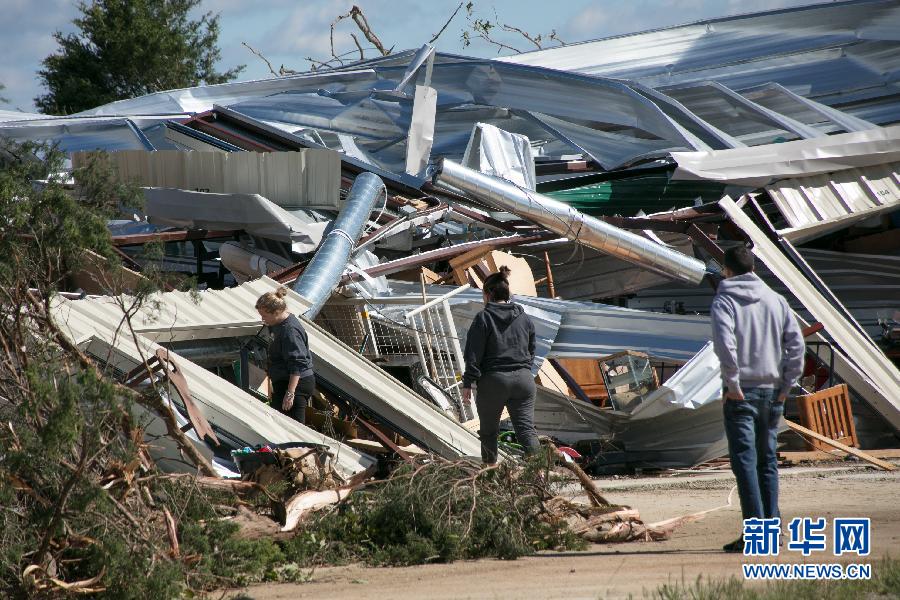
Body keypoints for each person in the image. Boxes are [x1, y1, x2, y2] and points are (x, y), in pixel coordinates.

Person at [710, 246, 805, 552]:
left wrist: (733, 382)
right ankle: (771, 531)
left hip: (742, 392)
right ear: (753, 269)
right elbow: (797, 344)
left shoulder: (724, 300)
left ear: (727, 270)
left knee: (745, 464)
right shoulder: (776, 300)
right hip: (773, 392)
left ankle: (756, 535)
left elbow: (725, 344)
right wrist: (788, 383)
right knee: (767, 463)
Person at [462, 266, 541, 464]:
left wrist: (468, 383)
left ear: (488, 294)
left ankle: (490, 479)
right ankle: (540, 476)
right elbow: (532, 349)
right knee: (526, 430)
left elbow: (473, 353)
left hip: (494, 381)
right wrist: (523, 368)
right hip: (524, 381)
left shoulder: (484, 318)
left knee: (489, 433)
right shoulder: (524, 318)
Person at [255, 287, 315, 424]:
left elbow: (297, 363)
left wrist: (290, 393)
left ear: (276, 312)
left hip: (296, 383)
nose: (262, 319)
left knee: (293, 425)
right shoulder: (278, 322)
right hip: (285, 380)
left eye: (264, 315)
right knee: (279, 421)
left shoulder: (289, 331)